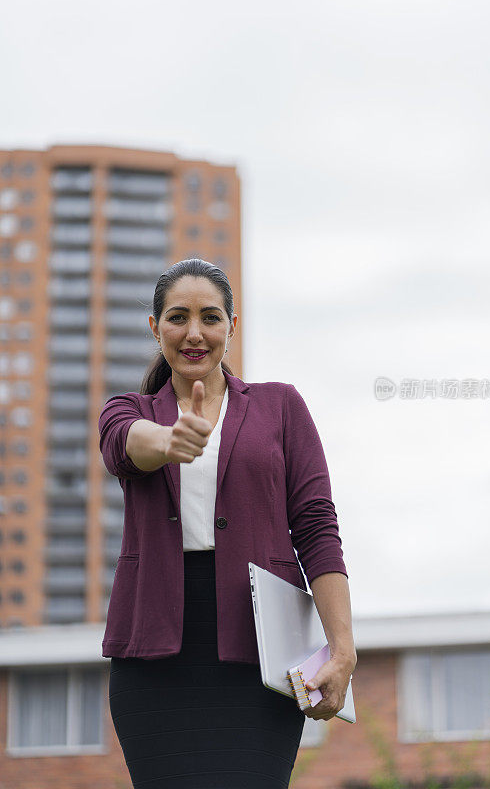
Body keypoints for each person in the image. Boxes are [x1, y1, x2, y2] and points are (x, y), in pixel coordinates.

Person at [99, 257, 357, 789]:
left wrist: (342, 649)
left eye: (210, 317)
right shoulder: (129, 411)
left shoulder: (280, 406)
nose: (194, 332)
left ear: (231, 328)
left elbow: (315, 526)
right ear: (155, 328)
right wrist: (169, 440)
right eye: (177, 317)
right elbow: (126, 446)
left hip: (260, 655)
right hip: (152, 661)